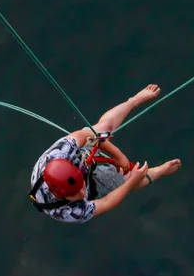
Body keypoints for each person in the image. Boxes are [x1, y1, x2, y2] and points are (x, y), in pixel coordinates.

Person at [29, 84, 182, 223]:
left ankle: (133, 101)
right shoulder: (69, 212)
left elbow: (87, 134)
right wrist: (130, 183)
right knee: (131, 178)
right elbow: (107, 202)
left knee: (102, 127)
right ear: (62, 195)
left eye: (80, 187)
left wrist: (118, 156)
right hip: (91, 182)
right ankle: (160, 171)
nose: (82, 193)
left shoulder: (56, 154)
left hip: (77, 160)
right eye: (76, 193)